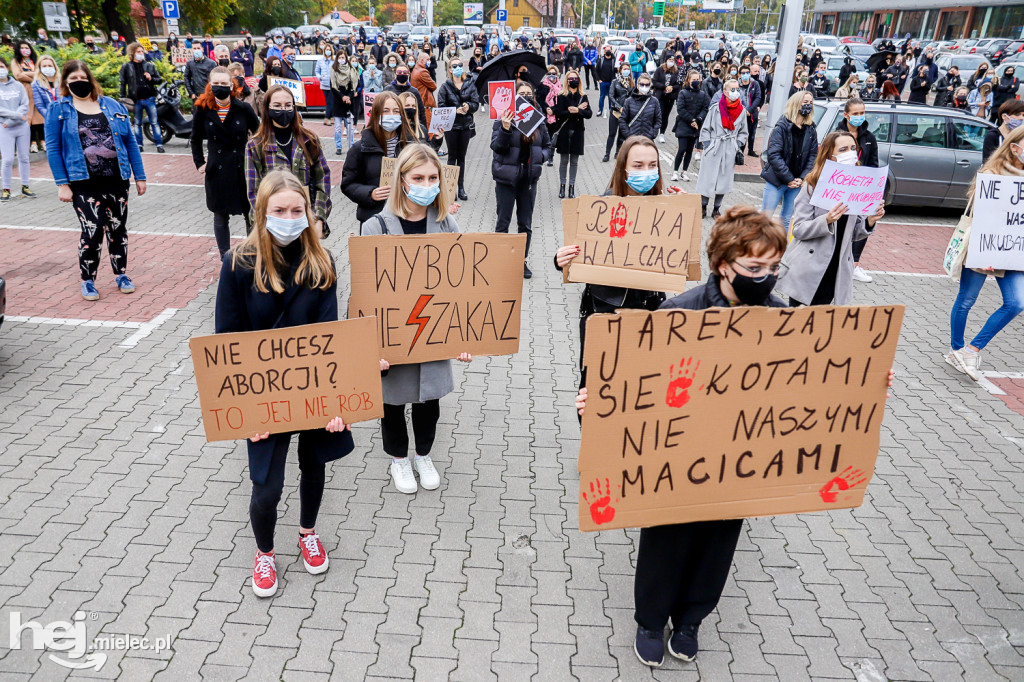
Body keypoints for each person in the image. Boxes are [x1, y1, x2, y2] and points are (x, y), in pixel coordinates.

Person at [215, 169, 354, 598]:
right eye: (280, 210)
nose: (289, 217)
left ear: (308, 213)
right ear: (263, 213)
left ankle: (307, 532)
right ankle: (265, 552)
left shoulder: (320, 261)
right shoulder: (238, 263)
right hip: (263, 397)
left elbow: (329, 336)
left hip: (311, 392)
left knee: (314, 466)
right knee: (267, 486)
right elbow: (228, 341)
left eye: (297, 210)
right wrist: (247, 414)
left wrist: (335, 404)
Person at [359, 144, 473, 494]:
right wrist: (367, 347)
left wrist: (466, 337)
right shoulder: (375, 227)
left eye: (433, 177)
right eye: (419, 177)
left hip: (434, 336)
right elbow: (365, 295)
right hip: (392, 340)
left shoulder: (446, 223)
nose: (427, 184)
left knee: (429, 404)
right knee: (391, 405)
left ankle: (423, 454)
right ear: (402, 181)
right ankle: (398, 459)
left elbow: (464, 286)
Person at [44, 60, 146, 300]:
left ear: (91, 80)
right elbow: (53, 148)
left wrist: (139, 176)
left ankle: (121, 274)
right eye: (73, 80)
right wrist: (62, 184)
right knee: (92, 229)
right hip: (82, 182)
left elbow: (130, 142)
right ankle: (88, 280)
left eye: (83, 78)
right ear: (65, 83)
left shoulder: (112, 106)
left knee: (117, 229)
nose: (79, 83)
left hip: (116, 179)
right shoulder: (58, 110)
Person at [945, 126, 1024, 381]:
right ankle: (956, 349)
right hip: (984, 246)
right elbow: (983, 216)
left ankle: (972, 349)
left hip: (1014, 251)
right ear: (1014, 147)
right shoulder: (991, 174)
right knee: (967, 299)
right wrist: (987, 251)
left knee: (1016, 303)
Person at [776, 130, 885, 306]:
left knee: (821, 323)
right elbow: (799, 230)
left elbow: (854, 234)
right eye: (843, 149)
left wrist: (870, 220)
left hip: (836, 269)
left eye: (852, 148)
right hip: (809, 267)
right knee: (798, 323)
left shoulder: (857, 187)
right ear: (830, 155)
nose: (849, 153)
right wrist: (825, 220)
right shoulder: (812, 184)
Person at [190, 66, 260, 257]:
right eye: (216, 84)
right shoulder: (202, 109)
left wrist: (258, 158)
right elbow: (195, 138)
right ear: (210, 86)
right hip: (217, 170)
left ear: (232, 85)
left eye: (224, 84)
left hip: (242, 168)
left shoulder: (243, 108)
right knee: (220, 215)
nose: (220, 87)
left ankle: (252, 253)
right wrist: (199, 162)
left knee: (250, 213)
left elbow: (259, 131)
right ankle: (225, 257)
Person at [245, 85, 331, 238]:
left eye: (288, 105)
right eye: (277, 106)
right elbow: (254, 192)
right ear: (267, 108)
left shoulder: (309, 140)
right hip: (271, 226)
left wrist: (319, 218)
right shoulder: (256, 145)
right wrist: (265, 223)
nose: (283, 110)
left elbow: (322, 180)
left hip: (305, 222)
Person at [492, 81, 552, 280]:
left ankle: (521, 260)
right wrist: (506, 128)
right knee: (503, 221)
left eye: (528, 93)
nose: (525, 96)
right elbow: (497, 148)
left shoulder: (537, 119)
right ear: (514, 96)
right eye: (521, 93)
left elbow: (548, 146)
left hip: (528, 180)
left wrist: (540, 158)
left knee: (525, 223)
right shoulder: (503, 117)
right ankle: (500, 260)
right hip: (506, 179)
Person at [341, 91, 416, 223]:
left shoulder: (411, 146)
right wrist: (370, 193)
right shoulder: (359, 149)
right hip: (373, 219)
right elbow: (348, 184)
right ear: (376, 114)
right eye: (385, 111)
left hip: (407, 217)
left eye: (396, 111)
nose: (391, 115)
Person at [833, 98, 879, 283]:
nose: (860, 116)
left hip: (861, 189)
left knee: (862, 224)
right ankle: (835, 262)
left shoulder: (869, 138)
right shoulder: (837, 134)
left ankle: (855, 265)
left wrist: (872, 187)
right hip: (840, 187)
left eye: (862, 113)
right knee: (840, 223)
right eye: (856, 113)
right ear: (846, 115)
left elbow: (873, 164)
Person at [760, 92, 818, 234]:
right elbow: (773, 154)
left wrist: (802, 178)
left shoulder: (810, 129)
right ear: (796, 103)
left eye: (810, 103)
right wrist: (789, 178)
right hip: (777, 181)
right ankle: (758, 249)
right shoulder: (781, 126)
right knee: (765, 218)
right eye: (805, 102)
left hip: (797, 182)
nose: (807, 105)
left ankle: (781, 252)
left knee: (786, 219)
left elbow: (812, 155)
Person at [697, 79, 747, 219]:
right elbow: (706, 128)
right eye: (732, 90)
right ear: (725, 92)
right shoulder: (715, 108)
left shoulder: (742, 111)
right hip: (714, 146)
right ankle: (703, 205)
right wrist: (707, 145)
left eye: (737, 89)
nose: (735, 92)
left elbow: (744, 132)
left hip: (729, 148)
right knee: (707, 178)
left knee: (723, 180)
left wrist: (737, 144)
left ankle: (716, 209)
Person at [436, 57, 480, 201]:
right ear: (449, 69)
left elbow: (475, 103)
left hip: (465, 125)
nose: (457, 67)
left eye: (460, 65)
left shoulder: (470, 84)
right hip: (451, 126)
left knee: (461, 158)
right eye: (454, 66)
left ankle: (461, 187)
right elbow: (441, 106)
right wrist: (455, 111)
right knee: (452, 157)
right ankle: (450, 188)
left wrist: (468, 106)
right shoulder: (445, 86)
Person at [119, 42, 165, 154]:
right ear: (132, 53)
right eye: (138, 52)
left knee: (154, 122)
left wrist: (151, 78)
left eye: (142, 51)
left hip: (149, 98)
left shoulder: (150, 65)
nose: (141, 53)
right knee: (137, 123)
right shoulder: (126, 67)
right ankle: (139, 144)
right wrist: (122, 98)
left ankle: (159, 144)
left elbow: (159, 80)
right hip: (136, 100)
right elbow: (122, 82)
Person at [553, 69, 592, 199]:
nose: (573, 80)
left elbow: (589, 114)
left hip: (578, 132)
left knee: (574, 161)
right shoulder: (562, 95)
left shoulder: (583, 95)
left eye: (575, 78)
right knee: (564, 160)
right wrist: (575, 110)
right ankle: (562, 186)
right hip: (564, 131)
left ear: (579, 80)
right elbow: (558, 113)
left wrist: (578, 111)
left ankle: (571, 187)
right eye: (570, 78)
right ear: (567, 81)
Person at [0, 56, 34, 202]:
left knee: (24, 158)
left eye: (1, 67)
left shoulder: (18, 85)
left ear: (7, 68)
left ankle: (25, 186)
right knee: (7, 159)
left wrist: (15, 118)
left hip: (22, 126)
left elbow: (25, 104)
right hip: (4, 127)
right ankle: (6, 188)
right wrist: (14, 117)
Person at [671, 70, 709, 183]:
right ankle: (675, 171)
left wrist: (698, 120)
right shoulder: (683, 93)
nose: (696, 82)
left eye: (698, 79)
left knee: (689, 150)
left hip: (695, 127)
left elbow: (705, 109)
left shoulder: (702, 94)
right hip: (684, 125)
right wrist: (691, 120)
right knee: (682, 149)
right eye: (694, 80)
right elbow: (680, 109)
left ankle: (684, 172)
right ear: (688, 80)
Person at [11, 41, 44, 153]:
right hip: (25, 91)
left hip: (38, 89)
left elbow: (42, 72)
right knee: (28, 117)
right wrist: (34, 76)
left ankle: (43, 142)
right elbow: (18, 75)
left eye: (27, 47)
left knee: (39, 116)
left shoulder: (35, 61)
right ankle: (32, 143)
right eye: (22, 48)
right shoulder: (16, 61)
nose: (25, 49)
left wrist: (28, 73)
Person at [329, 51, 359, 155]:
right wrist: (342, 97)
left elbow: (354, 86)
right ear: (337, 58)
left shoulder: (351, 69)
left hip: (348, 102)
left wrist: (348, 97)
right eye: (340, 57)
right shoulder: (333, 70)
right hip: (338, 101)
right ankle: (338, 147)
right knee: (337, 127)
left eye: (343, 57)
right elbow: (332, 87)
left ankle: (351, 146)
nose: (342, 59)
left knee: (349, 127)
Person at [386, 63, 427, 134]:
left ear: (408, 75)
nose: (402, 74)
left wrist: (424, 130)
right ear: (395, 75)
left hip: (411, 127)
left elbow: (421, 112)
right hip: (392, 127)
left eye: (405, 72)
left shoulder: (414, 91)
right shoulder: (388, 90)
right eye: (399, 72)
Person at [619, 72, 661, 141]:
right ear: (638, 86)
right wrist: (628, 134)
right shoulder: (629, 101)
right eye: (642, 84)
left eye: (647, 85)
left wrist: (653, 133)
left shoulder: (654, 101)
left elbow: (658, 120)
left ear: (650, 86)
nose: (644, 87)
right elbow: (622, 119)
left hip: (647, 139)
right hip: (632, 138)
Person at [603, 65, 632, 162]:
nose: (626, 71)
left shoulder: (631, 83)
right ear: (620, 70)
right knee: (612, 133)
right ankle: (607, 154)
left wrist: (628, 87)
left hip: (626, 113)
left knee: (622, 134)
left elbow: (633, 96)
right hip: (615, 111)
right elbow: (611, 96)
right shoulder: (615, 82)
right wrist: (619, 107)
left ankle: (617, 152)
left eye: (628, 69)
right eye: (624, 69)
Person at [738, 65, 761, 156]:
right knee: (742, 133)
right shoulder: (737, 85)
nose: (745, 75)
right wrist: (743, 110)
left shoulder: (755, 84)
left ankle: (750, 150)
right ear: (740, 74)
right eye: (743, 73)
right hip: (740, 113)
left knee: (752, 133)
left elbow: (758, 97)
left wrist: (750, 110)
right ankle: (740, 152)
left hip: (752, 114)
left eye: (747, 73)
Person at [652, 59, 677, 142]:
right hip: (660, 96)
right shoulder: (659, 70)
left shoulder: (676, 71)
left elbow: (678, 83)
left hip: (670, 97)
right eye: (669, 60)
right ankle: (653, 131)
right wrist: (664, 87)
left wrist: (672, 88)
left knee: (665, 116)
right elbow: (655, 82)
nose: (671, 61)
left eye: (672, 60)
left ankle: (662, 133)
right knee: (659, 114)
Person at [31, 54, 59, 126]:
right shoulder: (36, 85)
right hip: (50, 120)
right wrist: (50, 117)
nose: (47, 68)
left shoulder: (62, 82)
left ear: (54, 67)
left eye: (50, 66)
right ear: (40, 69)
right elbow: (40, 106)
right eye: (44, 66)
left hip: (66, 118)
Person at [315, 43, 334, 126]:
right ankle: (329, 117)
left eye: (329, 50)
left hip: (332, 84)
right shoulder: (320, 60)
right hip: (324, 84)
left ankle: (328, 117)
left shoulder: (334, 60)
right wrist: (320, 77)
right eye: (326, 49)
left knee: (331, 101)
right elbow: (317, 71)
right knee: (328, 102)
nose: (328, 51)